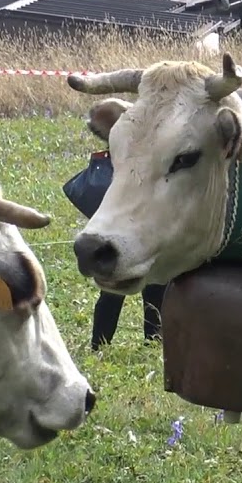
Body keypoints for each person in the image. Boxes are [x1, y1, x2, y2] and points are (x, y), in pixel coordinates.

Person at [64, 150, 167, 351]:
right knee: (114, 283)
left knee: (153, 282)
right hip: (123, 225)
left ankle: (152, 340)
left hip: (148, 223)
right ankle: (100, 344)